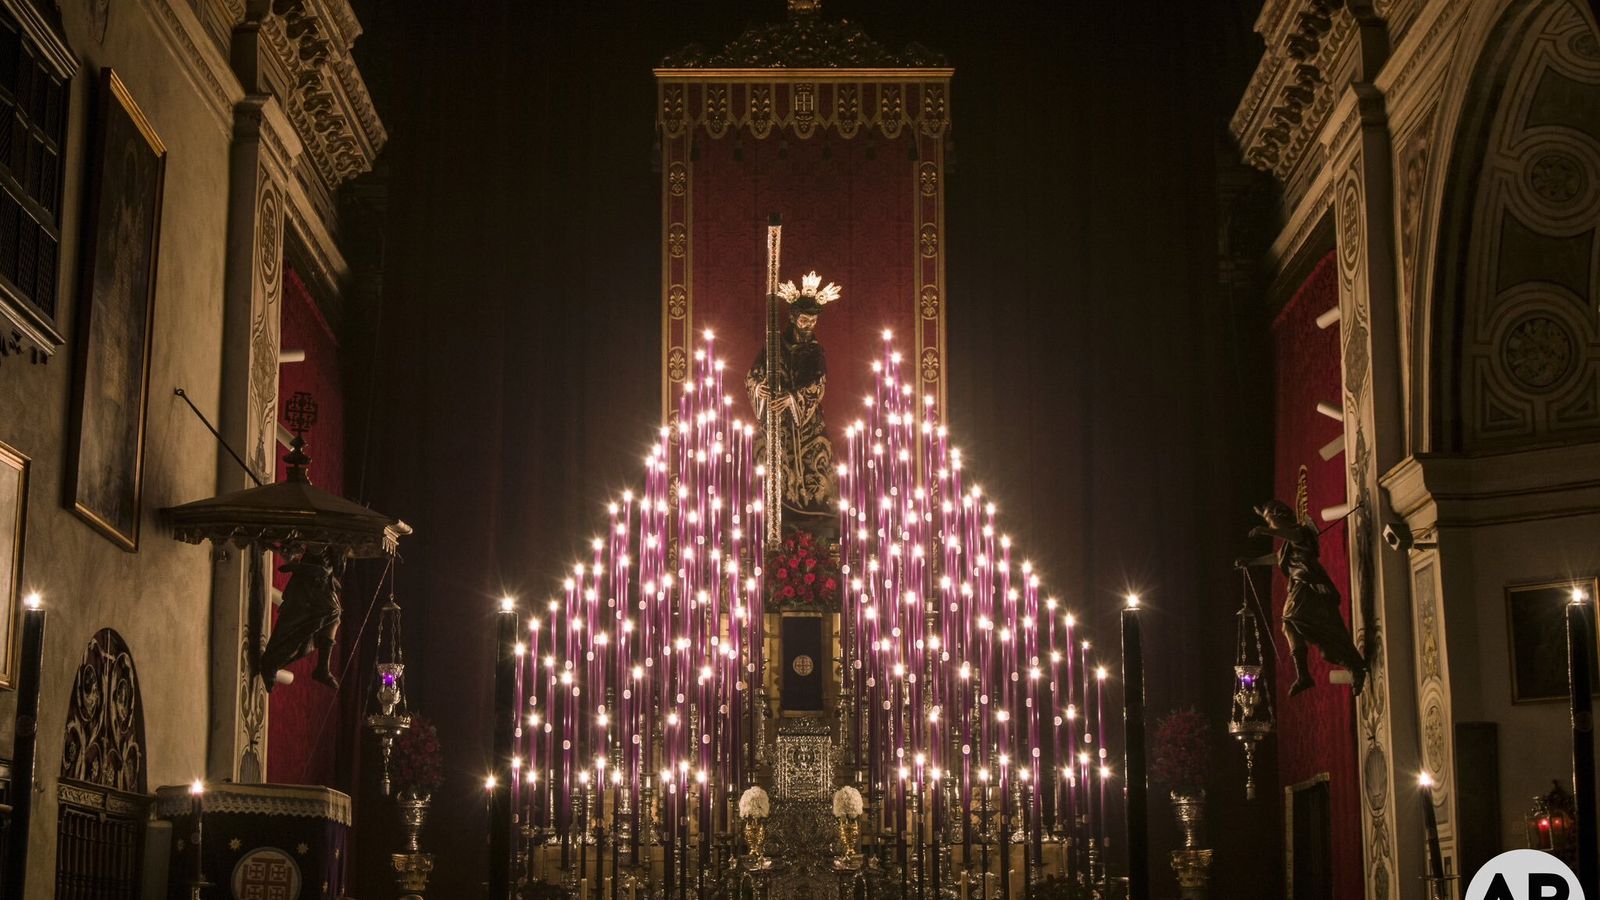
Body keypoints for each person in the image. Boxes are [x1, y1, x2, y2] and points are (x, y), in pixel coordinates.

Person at [1236, 500, 1367, 697]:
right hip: (1299, 586)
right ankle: (1304, 674)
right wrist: (1251, 562)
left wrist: (1266, 531)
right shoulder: (1287, 546)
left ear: (1280, 516)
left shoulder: (1301, 532)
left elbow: (1295, 536)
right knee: (1293, 628)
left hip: (1309, 584)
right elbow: (1277, 557)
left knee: (1294, 618)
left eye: (1270, 520)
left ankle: (1351, 666)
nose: (1270, 525)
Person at [747, 271, 840, 542]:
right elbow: (753, 375)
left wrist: (791, 398)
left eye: (813, 321)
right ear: (793, 318)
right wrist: (760, 388)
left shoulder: (815, 351)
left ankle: (812, 510)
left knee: (815, 460)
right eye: (804, 320)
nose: (808, 325)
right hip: (777, 421)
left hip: (806, 421)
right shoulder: (774, 345)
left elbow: (818, 384)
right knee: (773, 461)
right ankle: (774, 508)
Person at [261, 547, 344, 691]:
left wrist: (329, 572)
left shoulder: (336, 545)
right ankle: (273, 664)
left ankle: (322, 668)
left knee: (330, 618)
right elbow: (308, 555)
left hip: (319, 584)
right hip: (308, 588)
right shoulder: (321, 541)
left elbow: (334, 567)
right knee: (297, 630)